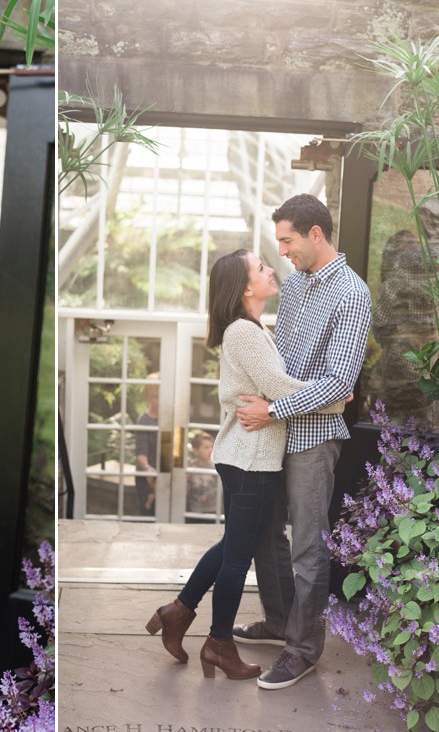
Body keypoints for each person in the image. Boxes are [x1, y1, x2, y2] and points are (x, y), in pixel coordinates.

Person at [145, 248, 345, 680]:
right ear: (246, 287)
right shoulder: (244, 332)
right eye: (261, 267)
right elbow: (279, 386)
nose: (271, 268)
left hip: (247, 458)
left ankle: (179, 611)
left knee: (233, 547)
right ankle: (218, 644)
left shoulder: (250, 329)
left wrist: (297, 398)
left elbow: (275, 392)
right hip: (251, 461)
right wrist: (335, 397)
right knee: (237, 558)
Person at [233, 193, 371, 690]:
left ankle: (303, 648)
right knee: (263, 533)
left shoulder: (352, 294)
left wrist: (274, 407)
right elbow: (283, 364)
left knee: (308, 547)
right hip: (272, 434)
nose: (282, 252)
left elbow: (337, 383)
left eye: (288, 241)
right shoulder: (292, 289)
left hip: (313, 438)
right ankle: (277, 620)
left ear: (316, 234)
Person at [134, 376, 159, 516]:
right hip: (147, 475)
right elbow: (141, 452)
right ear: (148, 398)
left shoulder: (173, 417)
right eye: (156, 396)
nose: (160, 400)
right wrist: (148, 468)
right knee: (148, 513)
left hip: (168, 473)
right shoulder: (144, 420)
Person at [185, 430, 219, 518]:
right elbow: (186, 488)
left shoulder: (215, 467)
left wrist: (207, 496)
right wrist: (187, 477)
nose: (210, 450)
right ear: (196, 451)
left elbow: (219, 487)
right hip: (193, 509)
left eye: (212, 447)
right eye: (206, 447)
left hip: (212, 510)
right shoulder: (191, 467)